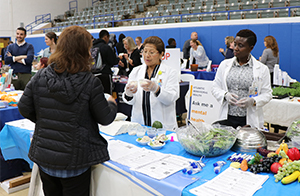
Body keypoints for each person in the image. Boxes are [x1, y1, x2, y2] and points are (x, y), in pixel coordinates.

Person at [18, 26, 117, 196]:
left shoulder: (41, 76)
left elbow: (24, 107)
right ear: (84, 50)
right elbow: (105, 117)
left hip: (46, 157)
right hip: (75, 160)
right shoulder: (90, 82)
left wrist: (46, 120)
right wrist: (112, 103)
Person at [211, 29, 272, 129]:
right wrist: (225, 95)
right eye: (235, 44)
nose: (236, 48)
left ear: (250, 48)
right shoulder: (224, 65)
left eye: (241, 46)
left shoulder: (261, 69)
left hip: (248, 119)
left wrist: (253, 101)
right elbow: (215, 87)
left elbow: (267, 94)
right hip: (227, 117)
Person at [122, 36, 179, 131]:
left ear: (161, 54)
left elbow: (172, 98)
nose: (147, 55)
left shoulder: (170, 72)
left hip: (163, 126)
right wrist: (129, 93)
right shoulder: (136, 71)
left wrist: (156, 89)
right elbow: (130, 101)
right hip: (140, 125)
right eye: (144, 51)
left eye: (151, 52)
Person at [93, 30, 119, 94]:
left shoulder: (92, 47)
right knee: (107, 95)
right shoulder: (106, 47)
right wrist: (118, 59)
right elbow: (113, 61)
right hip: (105, 74)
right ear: (105, 37)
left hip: (93, 74)